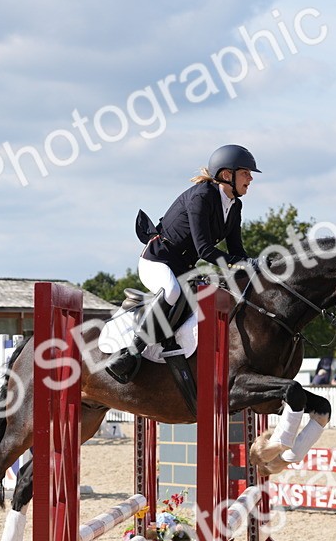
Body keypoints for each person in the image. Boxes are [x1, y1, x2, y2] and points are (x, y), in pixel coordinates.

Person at [105, 144, 259, 384]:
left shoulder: (235, 206)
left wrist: (253, 265)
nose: (250, 178)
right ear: (227, 175)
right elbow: (205, 250)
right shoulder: (202, 196)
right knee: (172, 291)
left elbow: (236, 251)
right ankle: (130, 354)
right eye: (246, 173)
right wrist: (242, 263)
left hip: (184, 268)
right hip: (157, 260)